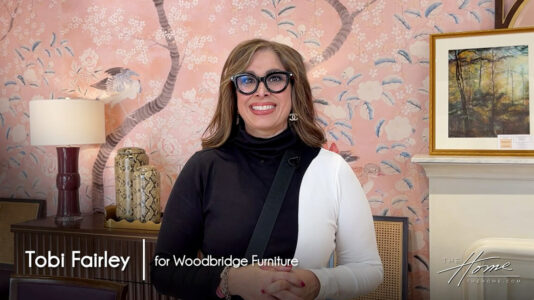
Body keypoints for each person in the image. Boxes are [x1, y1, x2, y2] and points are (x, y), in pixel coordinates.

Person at [151, 39, 383, 300]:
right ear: (234, 92)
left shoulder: (332, 169)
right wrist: (231, 280)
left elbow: (368, 269)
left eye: (275, 78)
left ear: (295, 89)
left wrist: (318, 282)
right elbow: (164, 269)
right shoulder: (203, 167)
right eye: (248, 80)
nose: (261, 91)